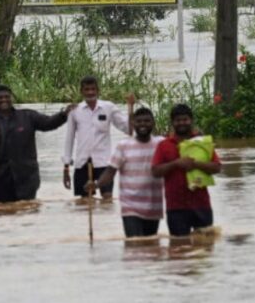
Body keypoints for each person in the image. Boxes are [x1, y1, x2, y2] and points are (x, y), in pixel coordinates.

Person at [0, 85, 72, 203]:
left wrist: (64, 115)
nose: (4, 100)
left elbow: (48, 123)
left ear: (12, 98)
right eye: (0, 98)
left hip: (27, 177)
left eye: (7, 97)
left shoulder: (27, 116)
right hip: (0, 179)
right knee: (1, 214)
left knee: (27, 212)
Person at [90, 107, 165, 237]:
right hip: (130, 206)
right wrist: (96, 184)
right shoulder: (124, 145)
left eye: (147, 121)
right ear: (133, 124)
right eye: (139, 121)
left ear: (153, 123)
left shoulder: (161, 144)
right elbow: (110, 171)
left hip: (154, 206)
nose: (143, 124)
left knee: (150, 246)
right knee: (134, 244)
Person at [151, 103, 222, 237]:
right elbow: (155, 171)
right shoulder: (164, 145)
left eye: (185, 119)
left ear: (191, 120)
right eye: (178, 120)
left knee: (204, 251)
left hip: (202, 205)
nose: (182, 123)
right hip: (176, 207)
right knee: (178, 250)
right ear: (172, 123)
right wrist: (176, 163)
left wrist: (195, 164)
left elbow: (217, 167)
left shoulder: (202, 143)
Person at [63, 76, 132, 198]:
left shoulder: (108, 107)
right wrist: (66, 167)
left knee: (107, 200)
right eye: (87, 89)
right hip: (82, 163)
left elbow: (128, 129)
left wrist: (130, 107)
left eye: (93, 89)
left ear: (98, 90)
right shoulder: (75, 110)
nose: (90, 92)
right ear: (81, 91)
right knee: (84, 205)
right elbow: (69, 139)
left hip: (104, 163)